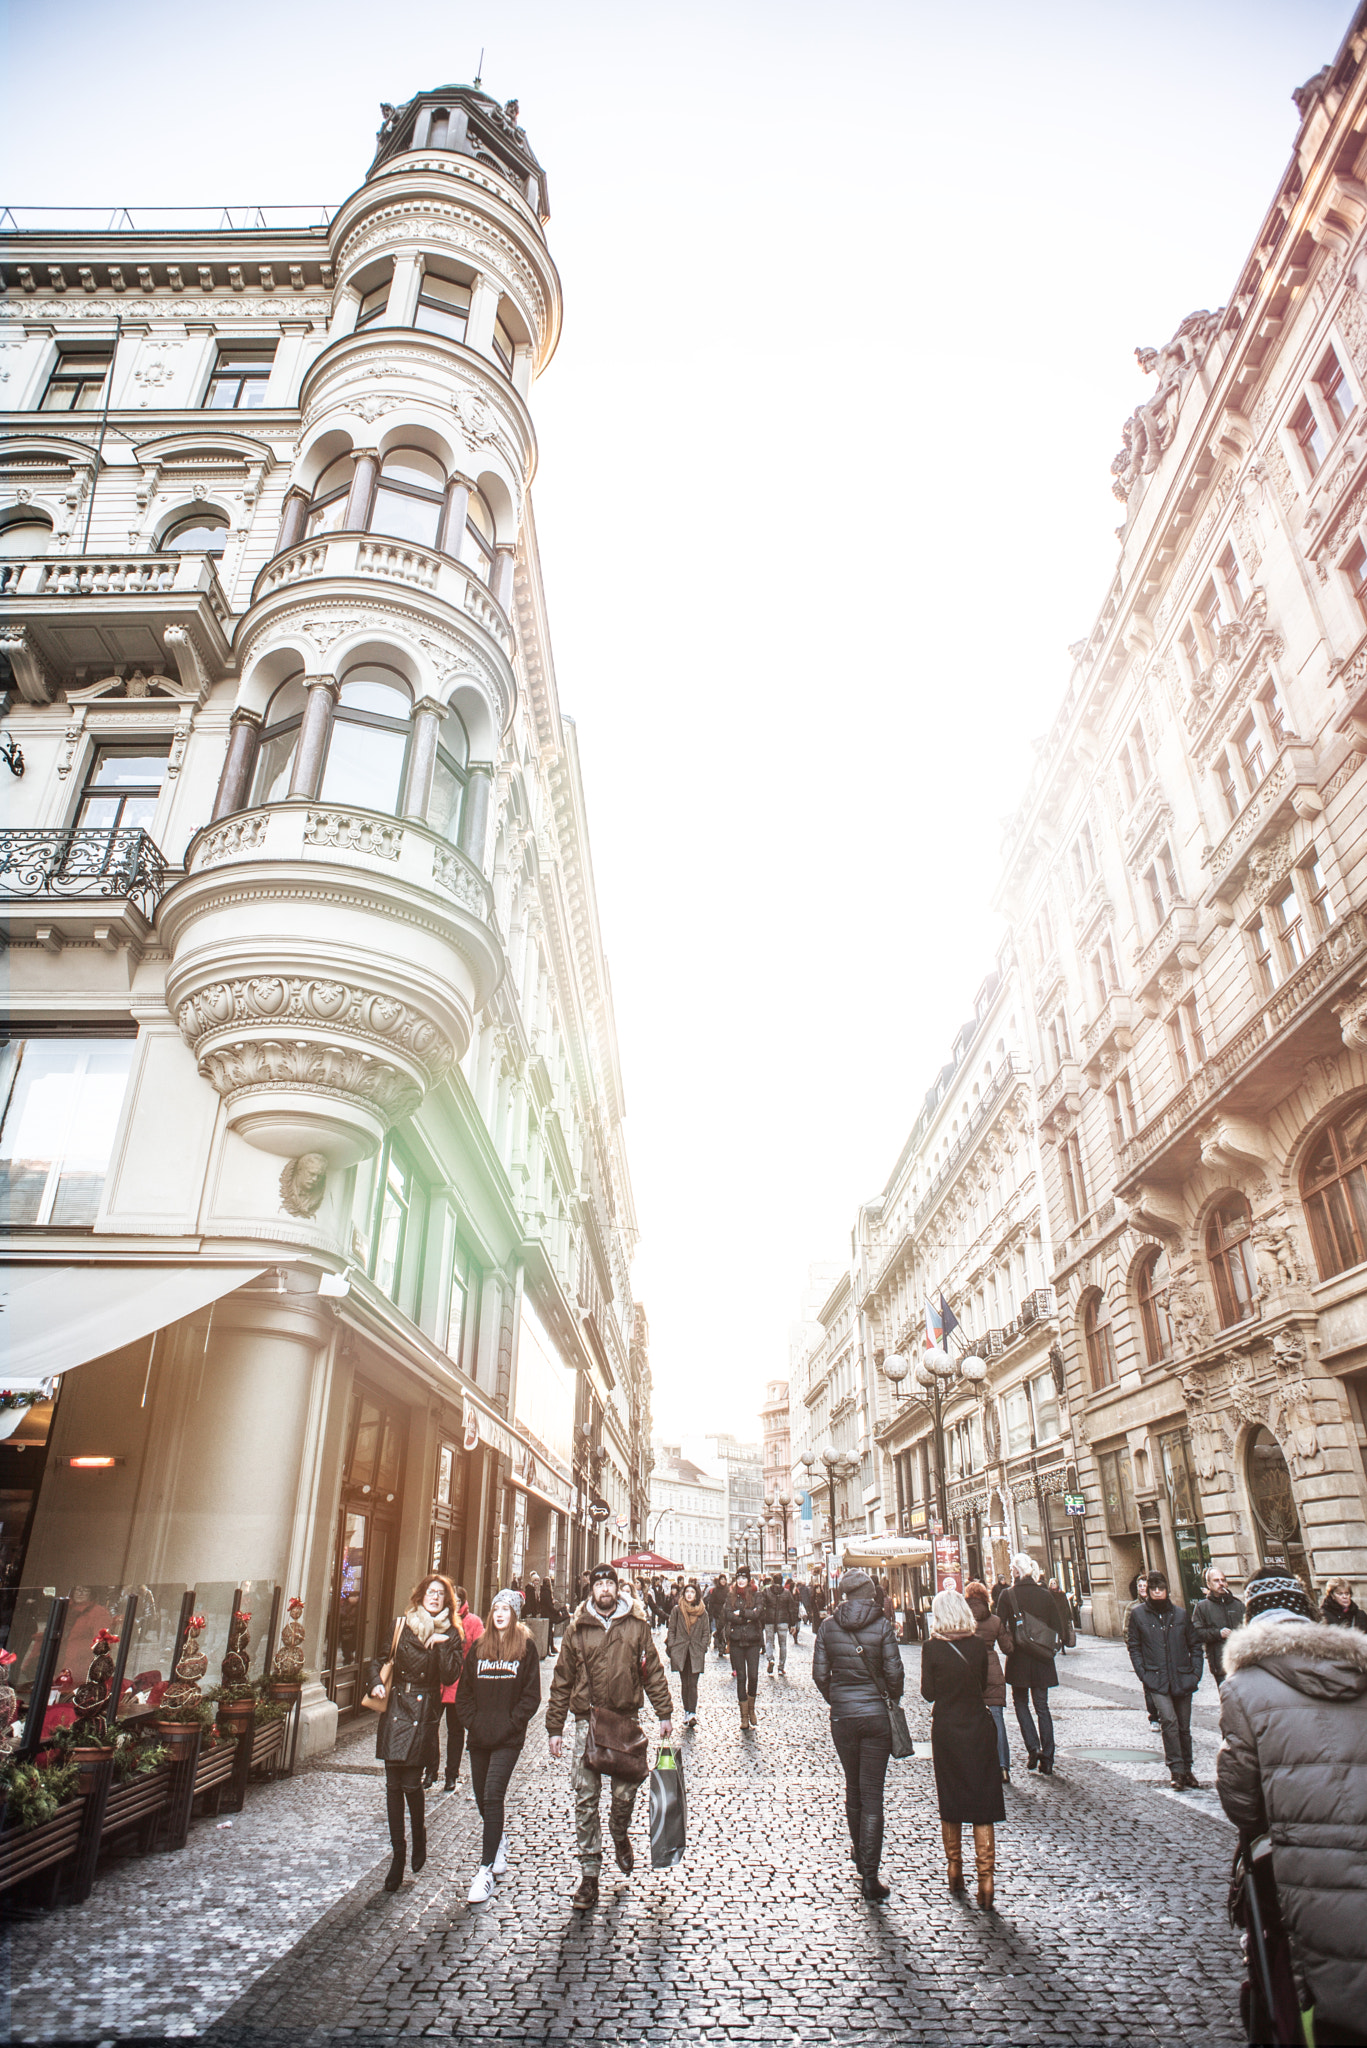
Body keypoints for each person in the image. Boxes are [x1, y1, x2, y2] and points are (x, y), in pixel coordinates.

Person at [1217, 1563, 1367, 2047]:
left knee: (1321, 1984)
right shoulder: (1359, 1670)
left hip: (1301, 1862)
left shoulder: (1242, 1688)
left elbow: (1241, 1802)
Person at [546, 1562, 673, 1911]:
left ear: (617, 1589)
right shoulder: (577, 1628)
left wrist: (664, 1713)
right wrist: (555, 1728)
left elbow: (653, 1672)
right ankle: (589, 1874)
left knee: (625, 1794)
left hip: (624, 1720)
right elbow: (561, 1681)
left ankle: (619, 1833)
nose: (604, 1589)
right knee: (585, 1798)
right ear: (592, 1589)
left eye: (609, 1584)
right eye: (599, 1583)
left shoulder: (637, 1626)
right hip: (587, 1721)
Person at [812, 1566, 904, 1901]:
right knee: (873, 1793)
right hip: (877, 1718)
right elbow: (895, 1674)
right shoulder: (881, 1626)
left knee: (853, 1786)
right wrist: (888, 1698)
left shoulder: (827, 1626)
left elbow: (820, 1675)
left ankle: (858, 1850)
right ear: (869, 1595)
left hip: (844, 1718)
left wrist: (837, 1699)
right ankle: (870, 1875)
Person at [368, 1573, 463, 1892]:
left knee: (411, 1783)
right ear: (420, 1595)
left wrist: (440, 1645)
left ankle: (419, 1832)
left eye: (440, 1594)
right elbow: (378, 1660)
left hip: (424, 1710)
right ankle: (398, 1855)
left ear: (446, 1601)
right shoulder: (402, 1624)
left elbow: (451, 1676)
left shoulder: (451, 1632)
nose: (434, 1597)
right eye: (430, 1592)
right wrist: (376, 1683)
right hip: (396, 1705)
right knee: (393, 1784)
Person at [921, 1588, 1005, 1909]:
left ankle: (954, 1869)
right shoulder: (976, 1645)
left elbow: (928, 1693)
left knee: (952, 1796)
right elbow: (983, 1685)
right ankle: (986, 1880)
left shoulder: (931, 1648)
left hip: (947, 1730)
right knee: (983, 1802)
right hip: (978, 1727)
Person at [457, 1587, 541, 1903]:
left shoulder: (526, 1648)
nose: (501, 1613)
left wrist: (510, 1724)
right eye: (496, 1608)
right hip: (479, 1736)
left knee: (493, 1793)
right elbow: (464, 1694)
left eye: (507, 1608)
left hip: (507, 1738)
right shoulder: (479, 1647)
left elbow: (531, 1696)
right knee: (481, 1798)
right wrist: (474, 1723)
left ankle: (485, 1870)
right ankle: (499, 1840)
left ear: (515, 1614)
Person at [1126, 1568, 1203, 1789]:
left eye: (1161, 1588)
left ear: (1167, 1590)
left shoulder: (1180, 1614)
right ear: (1147, 1591)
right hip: (1156, 1678)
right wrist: (1143, 1673)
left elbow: (1195, 1645)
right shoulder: (1138, 1614)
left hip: (1182, 1677)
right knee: (1168, 1721)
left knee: (1184, 1727)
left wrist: (1195, 1673)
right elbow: (1134, 1646)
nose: (1158, 1592)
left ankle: (1187, 1769)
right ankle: (1176, 1770)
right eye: (1154, 1589)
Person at [999, 1554, 1061, 1775]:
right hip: (1042, 1658)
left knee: (1021, 1703)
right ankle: (1049, 1756)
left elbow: (1000, 1627)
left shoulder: (1008, 1595)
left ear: (1016, 1571)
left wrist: (1008, 1647)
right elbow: (1057, 1626)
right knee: (1042, 1706)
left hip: (1019, 1658)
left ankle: (1033, 1747)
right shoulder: (1045, 1595)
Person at [426, 1585, 482, 1792]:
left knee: (455, 1732)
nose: (456, 1603)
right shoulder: (440, 1620)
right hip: (436, 1683)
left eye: (459, 1600)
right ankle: (431, 1770)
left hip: (459, 1685)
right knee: (430, 1728)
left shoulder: (473, 1622)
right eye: (453, 1600)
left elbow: (478, 1653)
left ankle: (452, 1774)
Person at [964, 1579, 1011, 1783]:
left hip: (969, 1670)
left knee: (971, 1721)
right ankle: (1003, 1767)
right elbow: (1008, 1648)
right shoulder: (995, 1621)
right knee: (997, 1719)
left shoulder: (963, 1621)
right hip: (992, 1670)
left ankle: (977, 1767)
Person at [726, 1564, 766, 1730]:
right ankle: (743, 1716)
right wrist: (746, 1617)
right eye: (739, 1578)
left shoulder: (757, 1594)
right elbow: (727, 1614)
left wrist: (741, 1613)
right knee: (741, 1677)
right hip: (736, 1640)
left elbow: (758, 1613)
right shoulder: (731, 1596)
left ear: (749, 1580)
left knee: (754, 1676)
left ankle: (751, 1709)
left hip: (753, 1640)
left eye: (744, 1578)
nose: (741, 1581)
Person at [1191, 1565, 1245, 1685]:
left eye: (1223, 1580)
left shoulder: (1238, 1605)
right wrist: (1218, 1633)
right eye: (1216, 1581)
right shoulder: (1202, 1607)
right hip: (1220, 1665)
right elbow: (1196, 1633)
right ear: (1208, 1584)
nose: (1221, 1583)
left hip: (1241, 1664)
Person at [666, 1578, 709, 1725]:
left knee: (693, 1684)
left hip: (696, 1651)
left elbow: (706, 1632)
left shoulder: (702, 1612)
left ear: (697, 1595)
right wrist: (672, 1646)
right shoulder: (677, 1610)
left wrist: (703, 1646)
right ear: (683, 1594)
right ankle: (686, 1711)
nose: (690, 1594)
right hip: (681, 1650)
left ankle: (692, 1713)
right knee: (684, 1683)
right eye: (687, 1592)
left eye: (692, 1592)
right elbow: (671, 1629)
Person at [1123, 1573, 1161, 1728]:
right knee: (1149, 1685)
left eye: (1145, 1585)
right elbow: (1126, 1631)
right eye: (1140, 1586)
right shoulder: (1132, 1608)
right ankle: (1154, 1716)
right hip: (1144, 1653)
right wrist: (1135, 1651)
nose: (1142, 1588)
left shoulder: (1159, 1604)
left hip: (1160, 1651)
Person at [764, 1573, 797, 1675]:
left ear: (773, 1581)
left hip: (769, 1620)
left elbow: (762, 1605)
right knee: (783, 1645)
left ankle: (770, 1659)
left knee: (769, 1642)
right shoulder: (786, 1593)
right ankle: (781, 1667)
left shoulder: (767, 1591)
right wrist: (793, 1624)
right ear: (781, 1581)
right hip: (783, 1620)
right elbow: (791, 1609)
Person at [705, 1572, 730, 1657]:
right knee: (719, 1631)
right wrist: (710, 1614)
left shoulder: (728, 1590)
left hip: (727, 1614)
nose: (723, 1581)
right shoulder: (715, 1590)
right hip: (717, 1613)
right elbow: (711, 1602)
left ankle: (726, 1645)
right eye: (721, 1579)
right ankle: (721, 1648)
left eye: (724, 1579)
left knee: (727, 1632)